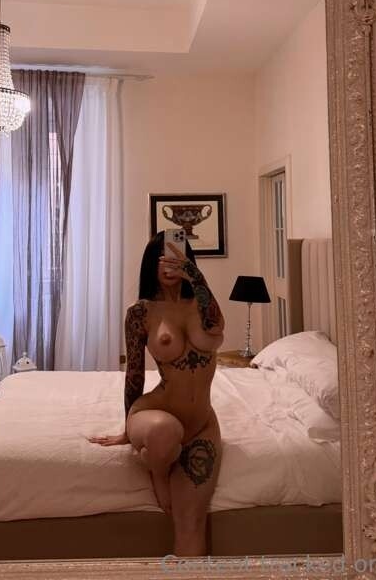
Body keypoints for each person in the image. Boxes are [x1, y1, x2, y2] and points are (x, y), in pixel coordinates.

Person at [88, 231, 225, 556]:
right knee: (165, 431)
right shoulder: (141, 312)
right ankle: (158, 471)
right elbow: (134, 372)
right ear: (151, 263)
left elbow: (216, 325)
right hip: (155, 413)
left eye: (175, 255)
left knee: (190, 524)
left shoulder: (202, 305)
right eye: (160, 257)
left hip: (201, 425)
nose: (167, 263)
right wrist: (127, 428)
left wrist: (194, 274)